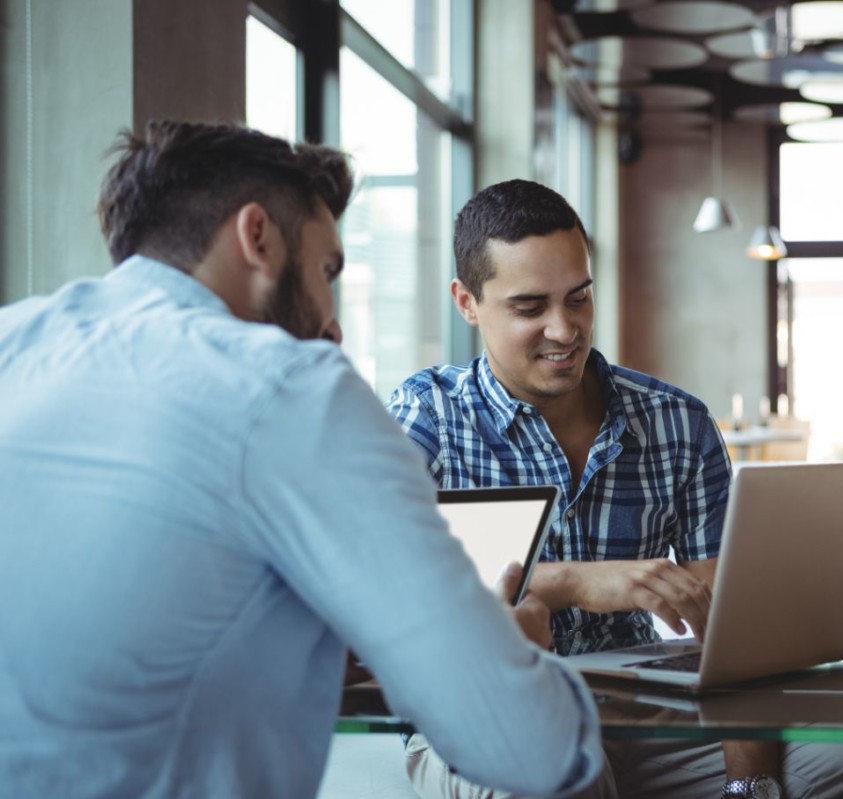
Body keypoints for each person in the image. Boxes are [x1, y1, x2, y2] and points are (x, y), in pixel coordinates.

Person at [0, 123, 602, 799]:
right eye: (327, 272)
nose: (334, 323)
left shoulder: (15, 339)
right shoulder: (288, 386)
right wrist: (513, 645)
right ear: (257, 236)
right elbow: (531, 748)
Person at [388, 179, 843, 798]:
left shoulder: (676, 423)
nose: (564, 329)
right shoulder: (428, 417)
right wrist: (575, 581)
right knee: (551, 783)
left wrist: (751, 784)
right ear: (467, 303)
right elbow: (389, 595)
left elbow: (735, 641)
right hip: (488, 705)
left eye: (578, 298)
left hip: (640, 713)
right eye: (530, 308)